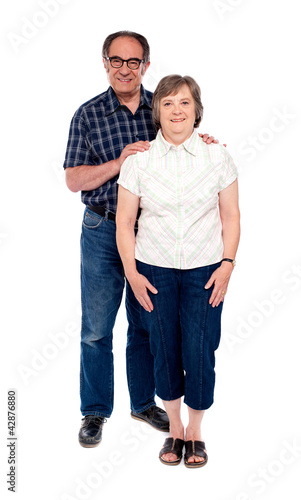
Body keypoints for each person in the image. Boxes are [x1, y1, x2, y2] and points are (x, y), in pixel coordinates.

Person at [63, 30, 219, 448]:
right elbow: (73, 179)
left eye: (134, 62)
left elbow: (183, 138)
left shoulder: (161, 105)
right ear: (105, 63)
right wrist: (120, 162)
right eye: (117, 60)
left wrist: (204, 142)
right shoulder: (88, 114)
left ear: (146, 65)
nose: (125, 69)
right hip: (102, 227)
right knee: (96, 327)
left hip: (150, 233)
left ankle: (143, 402)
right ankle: (94, 411)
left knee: (147, 324)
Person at [116, 74, 240, 467]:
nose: (176, 111)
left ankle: (196, 431)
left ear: (196, 110)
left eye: (184, 103)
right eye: (168, 103)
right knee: (164, 350)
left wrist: (227, 265)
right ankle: (173, 429)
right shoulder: (138, 160)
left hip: (205, 271)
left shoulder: (217, 156)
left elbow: (232, 216)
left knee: (201, 350)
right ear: (158, 111)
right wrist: (133, 275)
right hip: (155, 271)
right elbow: (123, 223)